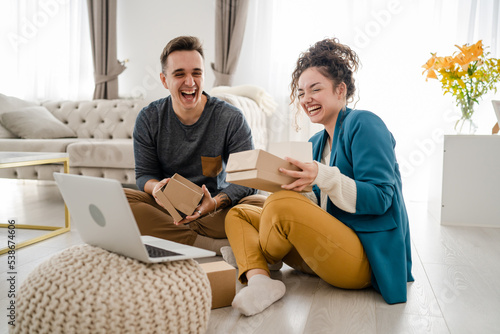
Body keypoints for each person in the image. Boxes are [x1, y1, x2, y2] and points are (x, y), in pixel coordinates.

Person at [224, 37, 413, 316]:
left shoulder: (365, 124)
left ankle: (256, 255)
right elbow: (320, 207)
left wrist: (322, 176)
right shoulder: (316, 142)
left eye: (315, 89)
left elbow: (382, 199)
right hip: (324, 253)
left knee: (281, 205)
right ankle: (260, 279)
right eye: (300, 93)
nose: (306, 99)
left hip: (363, 259)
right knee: (240, 212)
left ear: (340, 90)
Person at [125, 36, 265, 255]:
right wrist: (156, 188)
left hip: (214, 210)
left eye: (196, 73)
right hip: (167, 208)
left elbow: (247, 180)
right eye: (179, 74)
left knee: (261, 205)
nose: (190, 82)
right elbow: (144, 175)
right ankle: (208, 244)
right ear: (164, 80)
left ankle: (170, 237)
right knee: (122, 200)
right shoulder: (149, 118)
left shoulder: (230, 118)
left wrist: (215, 202)